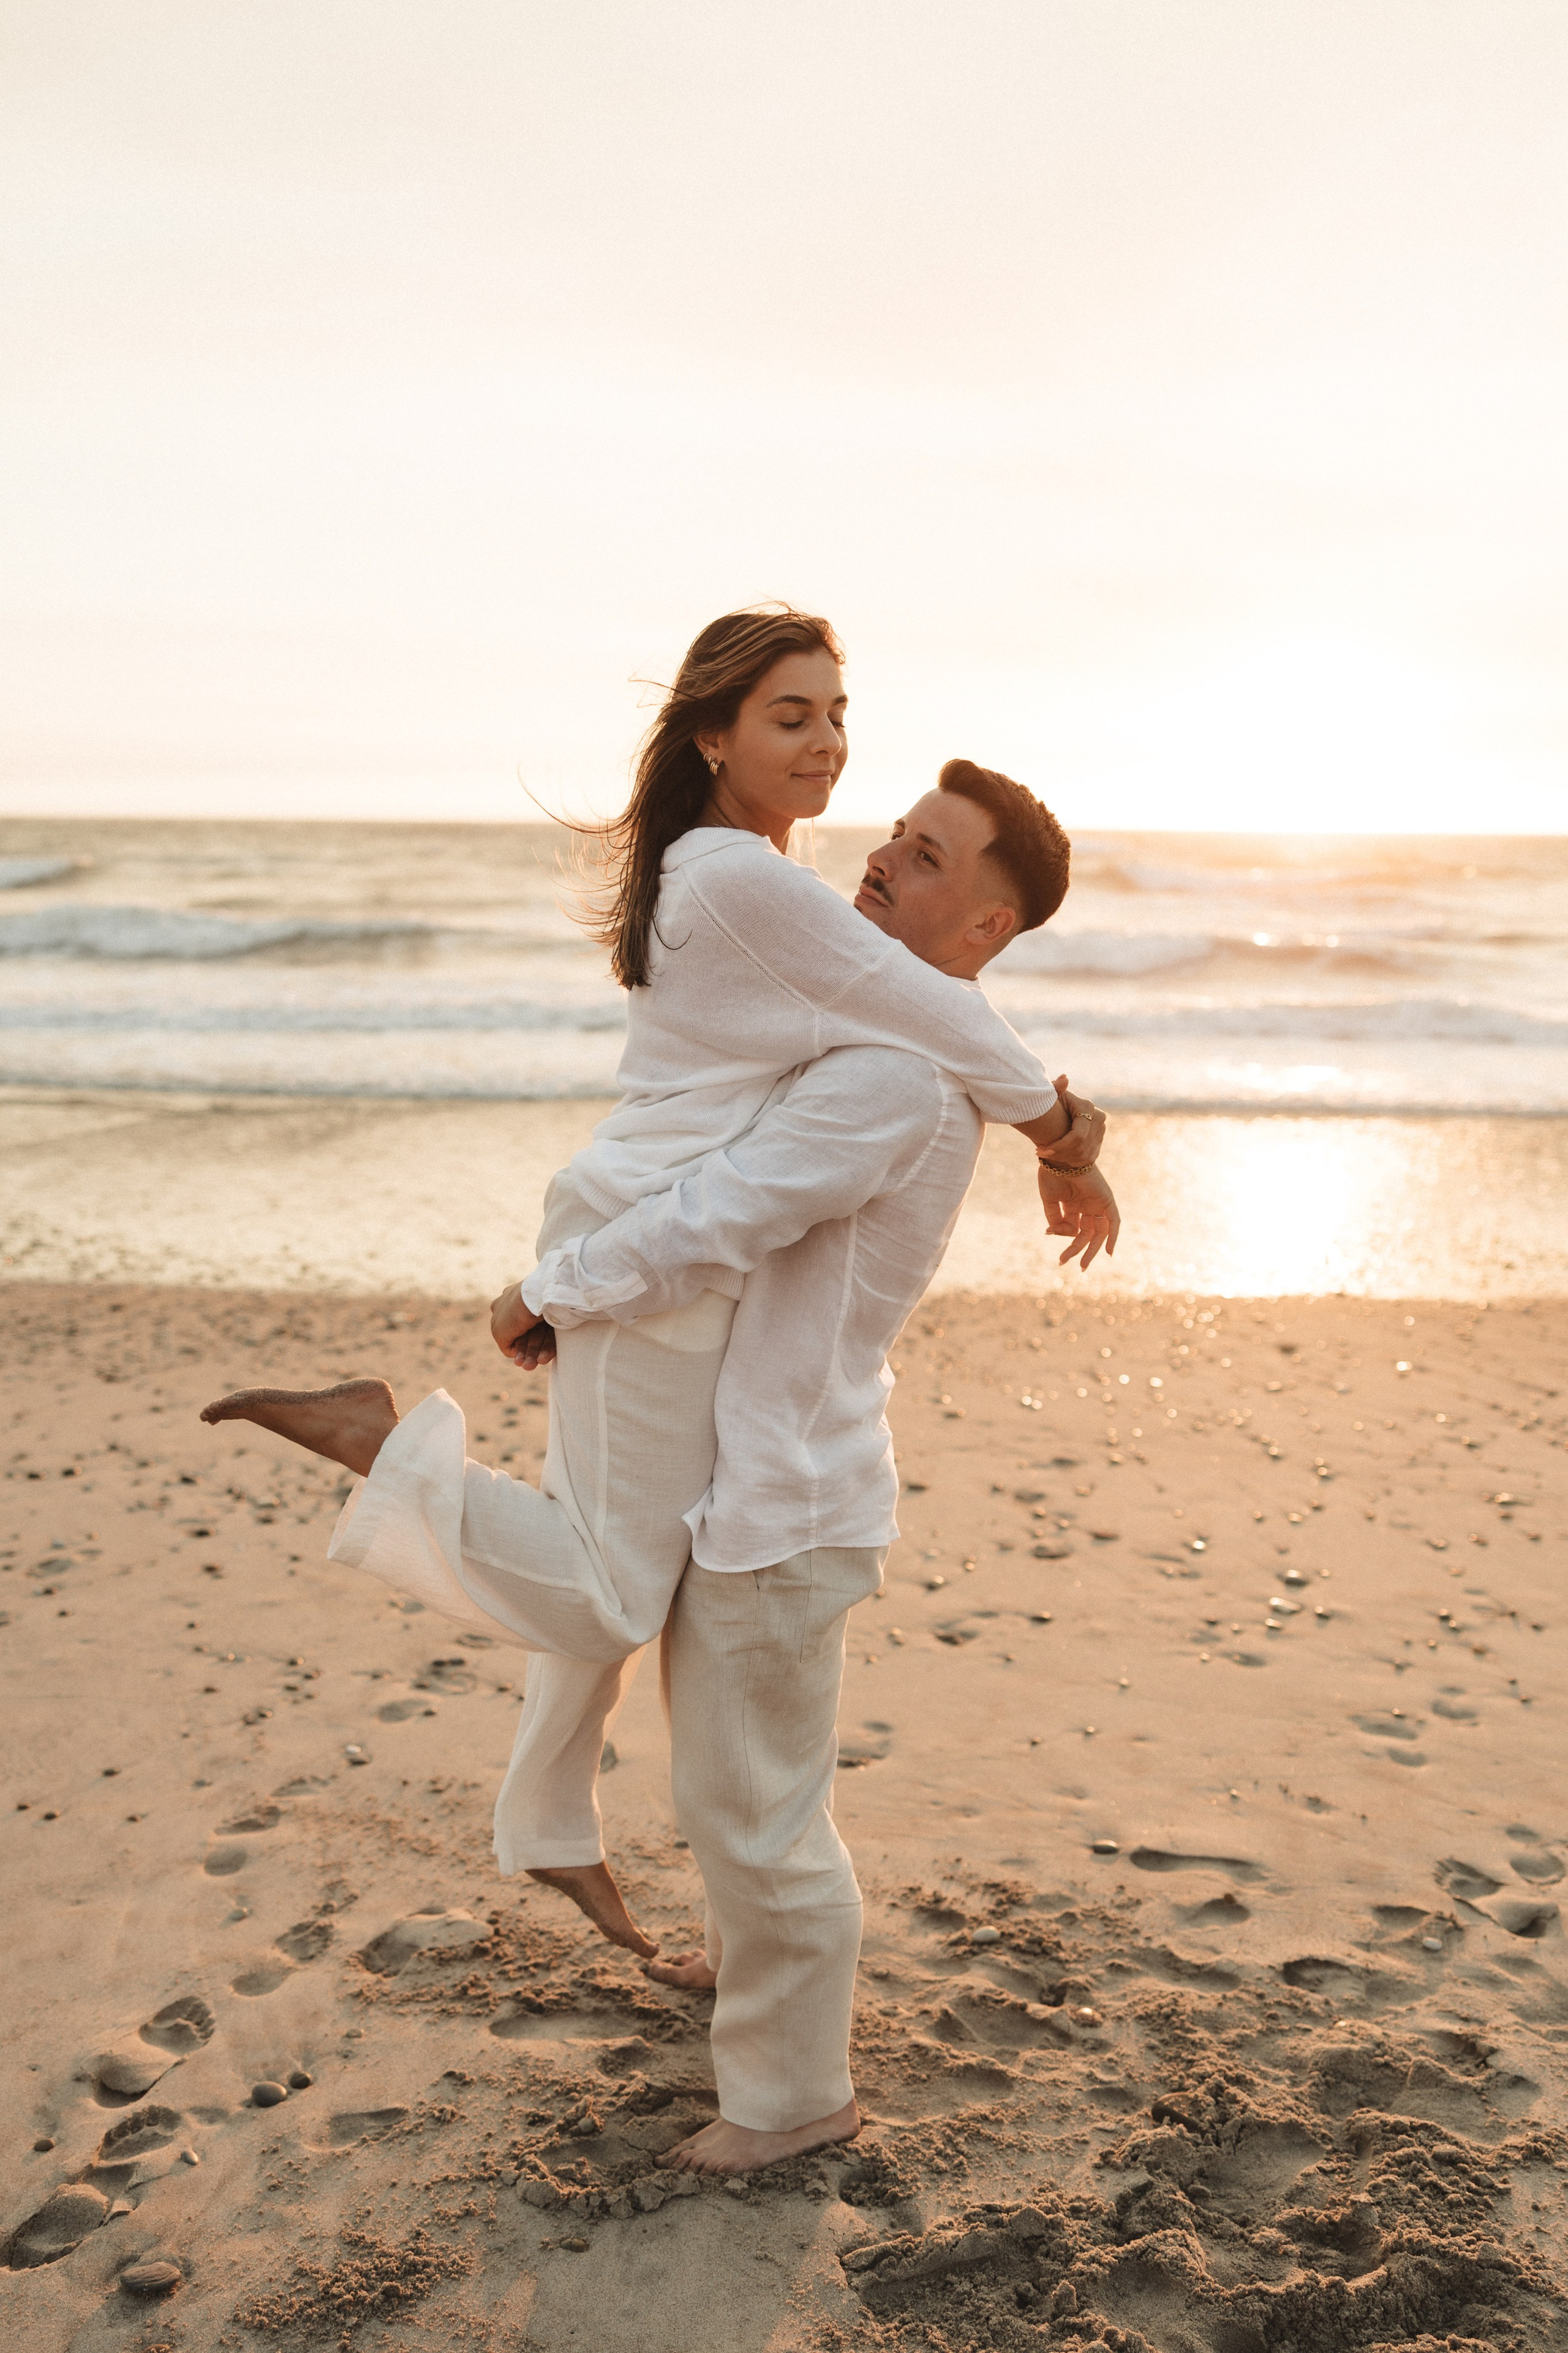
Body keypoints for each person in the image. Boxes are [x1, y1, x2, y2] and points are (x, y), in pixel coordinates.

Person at [198, 609, 1106, 1963]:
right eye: (789, 716)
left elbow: (913, 1008)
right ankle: (376, 1438)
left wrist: (1041, 1122)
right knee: (616, 1588)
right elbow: (932, 1011)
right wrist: (1060, 1133)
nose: (825, 744)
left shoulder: (751, 878)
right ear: (710, 736)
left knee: (617, 1561)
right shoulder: (746, 878)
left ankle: (556, 1831)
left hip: (648, 1227)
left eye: (836, 713)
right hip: (648, 1239)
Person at [484, 760, 1117, 2175]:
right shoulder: (877, 1049)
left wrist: (559, 1287)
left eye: (934, 857)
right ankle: (745, 1985)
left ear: (986, 932)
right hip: (761, 1482)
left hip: (787, 1497)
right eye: (899, 833)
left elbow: (722, 1213)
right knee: (738, 1789)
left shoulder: (891, 1077)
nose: (887, 855)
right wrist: (1061, 1131)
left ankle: (790, 2101)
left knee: (757, 1813)